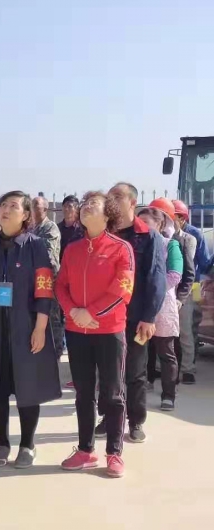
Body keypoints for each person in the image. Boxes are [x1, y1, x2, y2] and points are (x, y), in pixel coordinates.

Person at [0, 191, 61, 469]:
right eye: (3, 205)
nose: (5, 210)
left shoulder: (36, 246)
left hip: (26, 327)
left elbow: (44, 288)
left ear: (26, 215)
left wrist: (40, 327)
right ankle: (2, 444)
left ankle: (27, 444)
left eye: (13, 206)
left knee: (27, 387)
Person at [56, 191, 133, 478]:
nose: (86, 207)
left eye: (94, 204)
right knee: (83, 393)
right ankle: (86, 449)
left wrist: (92, 313)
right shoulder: (72, 249)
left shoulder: (121, 248)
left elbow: (123, 288)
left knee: (112, 393)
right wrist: (73, 311)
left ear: (108, 213)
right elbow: (60, 285)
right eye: (85, 204)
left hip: (109, 330)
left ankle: (114, 452)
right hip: (77, 331)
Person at [96, 184, 166, 443]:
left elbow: (156, 278)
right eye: (110, 196)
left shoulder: (149, 237)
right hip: (106, 317)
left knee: (135, 372)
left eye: (118, 196)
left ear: (132, 202)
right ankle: (109, 417)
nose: (111, 200)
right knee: (107, 371)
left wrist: (149, 317)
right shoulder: (104, 232)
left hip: (136, 318)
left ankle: (136, 421)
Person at [138, 200, 183, 412]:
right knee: (139, 350)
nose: (142, 226)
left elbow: (175, 275)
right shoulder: (136, 245)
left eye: (146, 222)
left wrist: (154, 290)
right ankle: (141, 387)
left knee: (166, 352)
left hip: (163, 306)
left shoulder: (170, 245)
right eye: (140, 222)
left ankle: (168, 395)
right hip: (140, 306)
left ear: (159, 224)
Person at [173, 200, 209, 384]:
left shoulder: (195, 234)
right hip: (171, 286)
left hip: (193, 285)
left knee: (190, 325)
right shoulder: (164, 234)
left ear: (182, 218)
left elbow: (204, 262)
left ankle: (188, 367)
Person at [31, 196, 63, 359]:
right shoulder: (31, 228)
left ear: (45, 209)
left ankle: (56, 352)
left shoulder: (50, 228)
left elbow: (48, 254)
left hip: (49, 280)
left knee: (52, 318)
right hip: (33, 281)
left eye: (36, 205)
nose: (33, 208)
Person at [170, 200, 198, 386]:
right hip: (166, 293)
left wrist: (180, 298)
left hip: (183, 293)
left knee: (185, 332)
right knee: (163, 334)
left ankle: (187, 369)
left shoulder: (189, 239)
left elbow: (188, 271)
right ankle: (159, 367)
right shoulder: (159, 238)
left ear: (181, 219)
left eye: (173, 217)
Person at [58, 195, 84, 262]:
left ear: (76, 209)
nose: (66, 209)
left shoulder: (82, 229)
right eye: (64, 206)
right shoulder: (57, 228)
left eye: (70, 206)